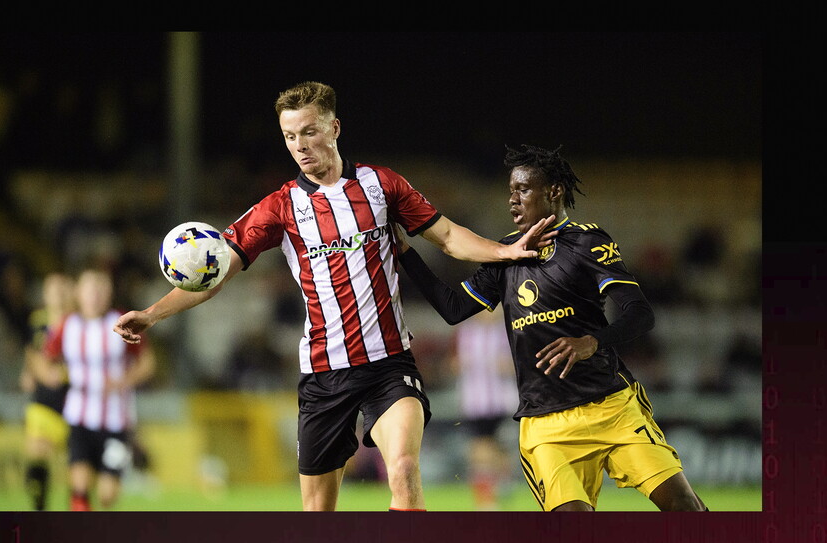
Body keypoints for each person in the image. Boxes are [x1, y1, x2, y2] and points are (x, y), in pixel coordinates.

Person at [113, 81, 552, 512]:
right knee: (319, 514)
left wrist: (505, 250)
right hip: (324, 377)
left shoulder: (382, 186)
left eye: (309, 131)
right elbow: (215, 274)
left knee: (402, 469)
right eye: (289, 136)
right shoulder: (279, 208)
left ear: (335, 128)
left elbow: (449, 237)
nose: (299, 145)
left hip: (389, 365)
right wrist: (152, 314)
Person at [393, 143, 707, 511]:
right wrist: (405, 253)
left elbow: (641, 314)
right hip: (545, 425)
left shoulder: (588, 242)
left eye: (523, 190)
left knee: (686, 509)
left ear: (554, 192)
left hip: (612, 408)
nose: (512, 201)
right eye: (510, 191)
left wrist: (593, 341)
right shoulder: (506, 255)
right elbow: (453, 309)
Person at [34, 268, 156, 511]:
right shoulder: (68, 325)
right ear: (79, 292)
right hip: (79, 418)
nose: (96, 294)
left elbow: (148, 363)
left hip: (116, 422)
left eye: (102, 288)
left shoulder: (122, 322)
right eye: (91, 288)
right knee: (80, 488)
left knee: (107, 495)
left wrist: (124, 381)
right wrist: (50, 375)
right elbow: (43, 359)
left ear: (109, 292)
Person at [450, 309, 518, 510]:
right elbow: (454, 363)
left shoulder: (507, 332)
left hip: (502, 400)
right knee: (480, 450)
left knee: (496, 451)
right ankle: (487, 498)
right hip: (474, 402)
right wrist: (459, 364)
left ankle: (500, 486)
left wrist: (505, 366)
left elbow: (518, 364)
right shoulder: (466, 332)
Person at [20, 272, 75, 511]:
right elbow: (31, 351)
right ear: (45, 293)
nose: (57, 295)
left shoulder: (77, 322)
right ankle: (39, 509)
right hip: (43, 400)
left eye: (61, 289)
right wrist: (31, 371)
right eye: (52, 290)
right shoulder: (38, 320)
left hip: (73, 401)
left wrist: (63, 374)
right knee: (37, 455)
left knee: (76, 467)